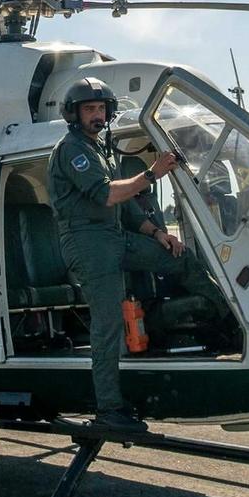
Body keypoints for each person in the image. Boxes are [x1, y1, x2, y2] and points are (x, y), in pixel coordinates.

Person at [46, 77, 182, 431]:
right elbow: (106, 195)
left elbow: (128, 206)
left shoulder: (100, 149)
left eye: (101, 108)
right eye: (89, 109)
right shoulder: (72, 149)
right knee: (107, 324)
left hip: (115, 236)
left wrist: (156, 233)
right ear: (75, 115)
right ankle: (109, 409)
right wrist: (152, 174)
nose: (97, 115)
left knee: (178, 261)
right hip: (87, 242)